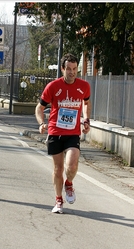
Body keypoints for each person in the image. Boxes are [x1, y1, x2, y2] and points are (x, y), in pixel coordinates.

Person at [35, 53, 91, 214]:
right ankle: (58, 200)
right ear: (62, 69)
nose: (72, 72)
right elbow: (39, 108)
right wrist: (41, 123)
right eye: (68, 69)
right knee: (58, 169)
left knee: (71, 166)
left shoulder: (84, 86)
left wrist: (86, 119)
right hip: (55, 131)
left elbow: (86, 102)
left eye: (75, 69)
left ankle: (69, 183)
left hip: (73, 133)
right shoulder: (53, 86)